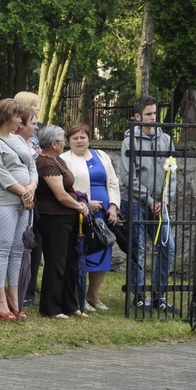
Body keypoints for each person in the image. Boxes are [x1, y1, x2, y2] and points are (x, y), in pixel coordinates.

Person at [0, 99, 38, 322]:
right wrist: (24, 191)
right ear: (6, 117)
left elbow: (31, 166)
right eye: (17, 117)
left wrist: (31, 187)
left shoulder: (18, 140)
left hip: (24, 200)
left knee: (17, 249)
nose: (20, 122)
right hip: (1, 200)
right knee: (2, 248)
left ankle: (15, 298)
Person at [120, 95, 179, 314]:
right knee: (139, 249)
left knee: (167, 246)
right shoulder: (129, 141)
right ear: (137, 116)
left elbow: (171, 174)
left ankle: (159, 295)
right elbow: (128, 177)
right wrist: (150, 200)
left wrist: (164, 199)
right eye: (148, 114)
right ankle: (139, 295)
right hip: (136, 201)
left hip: (159, 204)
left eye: (155, 113)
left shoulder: (166, 141)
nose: (153, 118)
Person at [60, 123, 120, 312]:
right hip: (81, 214)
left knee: (103, 250)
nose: (79, 141)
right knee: (82, 253)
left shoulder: (102, 155)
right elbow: (66, 188)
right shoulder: (64, 159)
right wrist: (86, 203)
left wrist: (113, 206)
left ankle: (93, 294)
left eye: (82, 137)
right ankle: (78, 295)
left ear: (89, 138)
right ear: (69, 141)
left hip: (104, 215)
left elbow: (113, 182)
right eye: (75, 138)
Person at [35, 126, 89, 319]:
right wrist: (79, 206)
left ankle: (68, 303)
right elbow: (60, 195)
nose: (64, 142)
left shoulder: (57, 159)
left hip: (67, 218)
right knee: (56, 262)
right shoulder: (45, 163)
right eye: (62, 140)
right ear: (53, 144)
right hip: (54, 218)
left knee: (70, 263)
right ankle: (51, 307)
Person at [16, 107, 42, 308]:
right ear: (21, 124)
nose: (36, 127)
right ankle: (18, 290)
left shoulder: (34, 143)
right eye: (32, 123)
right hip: (19, 196)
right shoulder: (14, 143)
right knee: (20, 243)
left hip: (35, 194)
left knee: (34, 243)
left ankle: (30, 289)